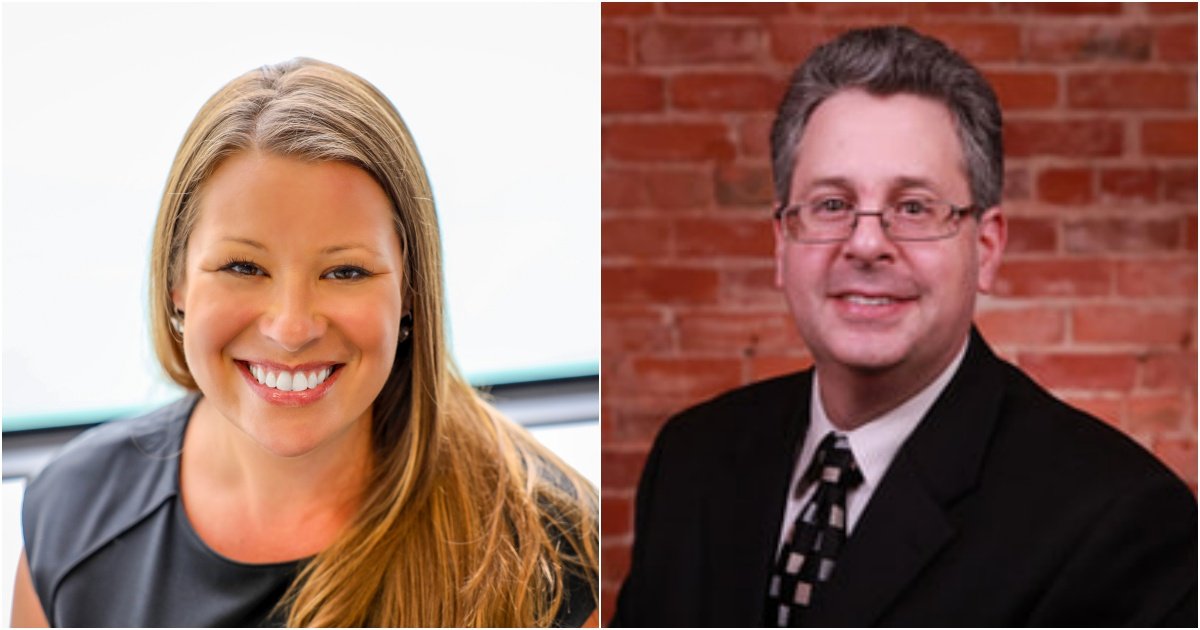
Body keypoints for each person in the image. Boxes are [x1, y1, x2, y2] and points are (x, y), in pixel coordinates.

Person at [610, 26, 1196, 627]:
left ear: (986, 247)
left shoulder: (1120, 522)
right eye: (832, 204)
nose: (867, 244)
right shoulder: (692, 459)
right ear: (782, 245)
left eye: (914, 207)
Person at [13, 58, 598, 627]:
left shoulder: (552, 551)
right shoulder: (71, 514)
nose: (291, 328)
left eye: (345, 272)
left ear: (411, 290)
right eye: (243, 266)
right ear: (176, 283)